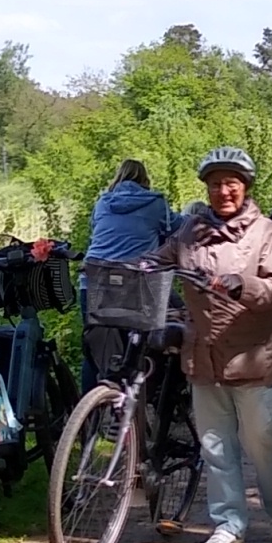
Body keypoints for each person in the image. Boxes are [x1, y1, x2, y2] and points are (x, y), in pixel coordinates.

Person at [164, 147, 272, 543]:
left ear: (245, 187)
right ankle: (229, 523)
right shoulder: (189, 231)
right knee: (216, 446)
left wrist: (243, 284)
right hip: (203, 355)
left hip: (253, 355)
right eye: (216, 184)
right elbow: (159, 258)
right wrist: (122, 265)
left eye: (231, 184)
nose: (223, 191)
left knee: (263, 440)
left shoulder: (266, 232)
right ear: (206, 187)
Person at [81, 157, 174, 381]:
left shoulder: (102, 202)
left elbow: (97, 233)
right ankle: (141, 403)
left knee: (95, 349)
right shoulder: (156, 202)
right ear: (145, 179)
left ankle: (86, 410)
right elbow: (174, 230)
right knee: (144, 348)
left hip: (93, 280)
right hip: (135, 284)